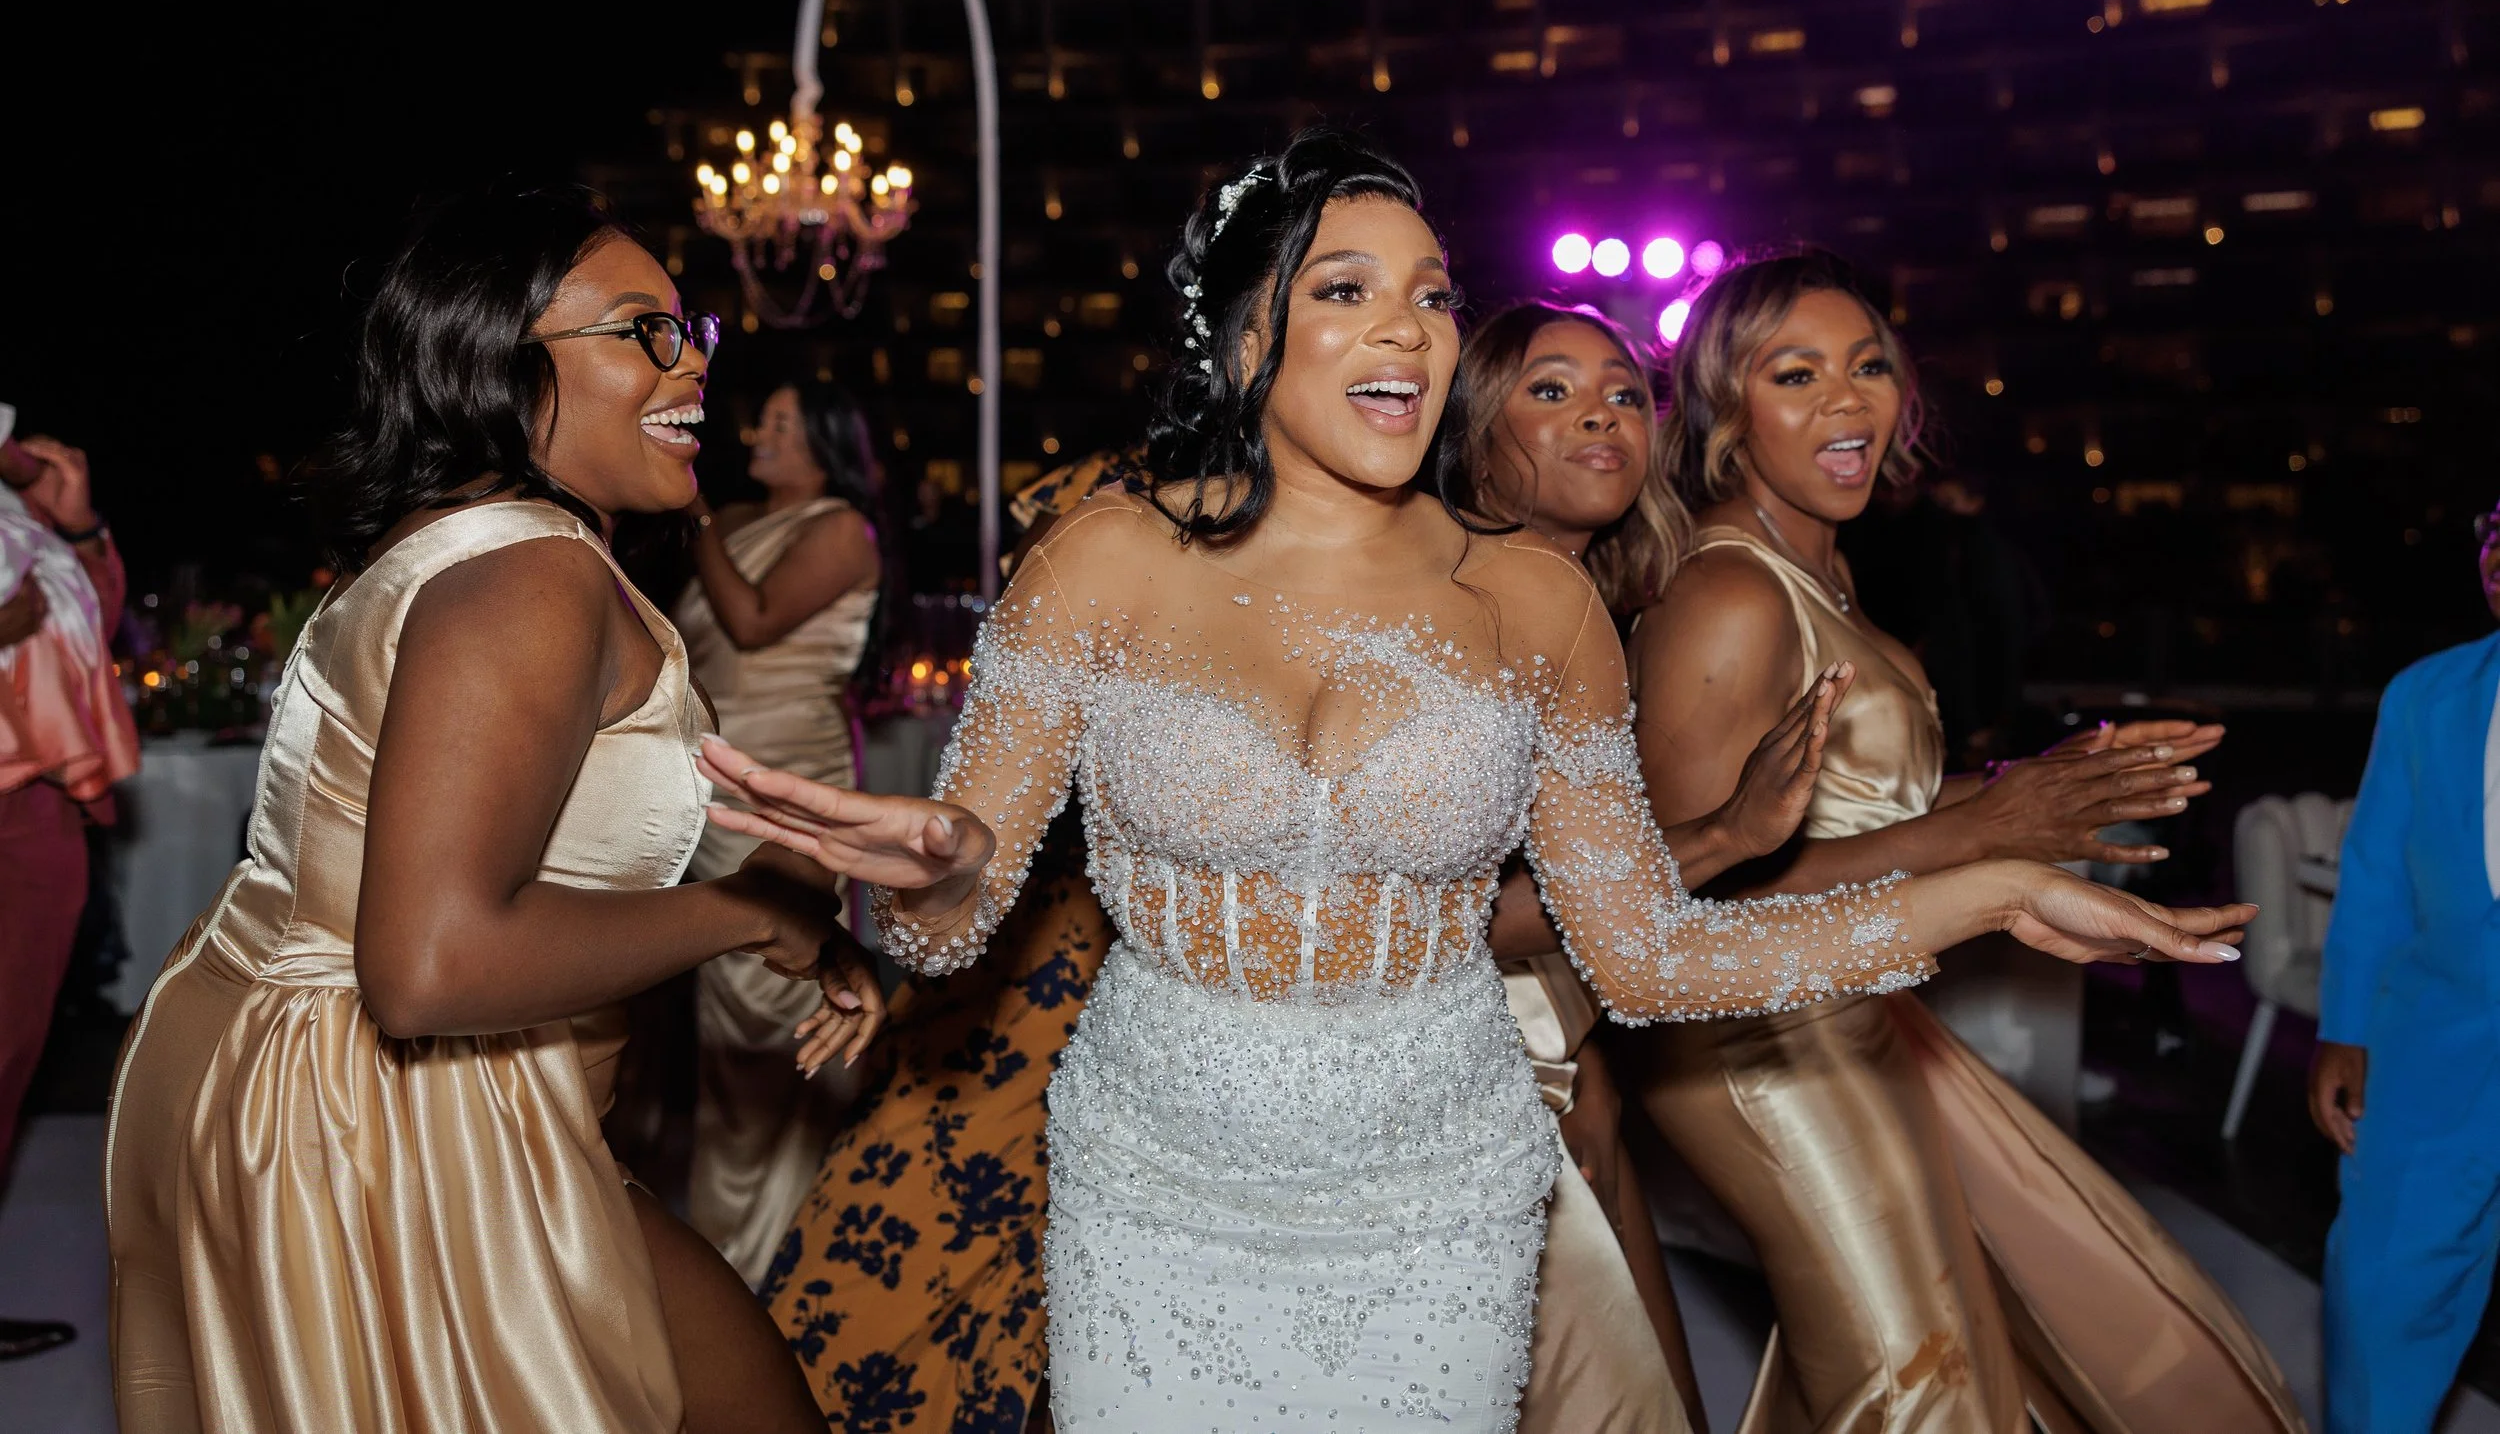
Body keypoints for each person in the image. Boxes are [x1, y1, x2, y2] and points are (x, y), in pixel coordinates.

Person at [702, 131, 2253, 1433]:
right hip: (1159, 1175)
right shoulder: (1106, 556)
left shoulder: (1534, 603)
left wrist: (1988, 887)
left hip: (1441, 1180)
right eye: (1347, 290)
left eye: (1433, 294)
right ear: (1245, 340)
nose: (1407, 328)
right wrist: (932, 864)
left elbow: (1646, 956)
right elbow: (949, 927)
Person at [105, 187, 885, 1433]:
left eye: (690, 329)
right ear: (500, 366)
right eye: (643, 331)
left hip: (329, 1060)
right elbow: (431, 964)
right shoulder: (533, 576)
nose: (693, 363)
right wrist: (745, 911)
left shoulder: (467, 539)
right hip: (383, 1108)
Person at [1619, 248, 2305, 1432]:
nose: (1848, 400)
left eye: (1868, 365)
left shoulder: (1823, 568)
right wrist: (1987, 831)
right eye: (1796, 373)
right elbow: (1680, 900)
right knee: (1916, 1376)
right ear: (1727, 410)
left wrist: (2034, 782)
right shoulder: (1730, 595)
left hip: (1854, 1001)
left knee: (1954, 1337)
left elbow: (1851, 812)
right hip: (1752, 1037)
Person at [765, 448, 1137, 1434]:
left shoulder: (1235, 534)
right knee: (883, 1245)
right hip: (1023, 948)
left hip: (1126, 978)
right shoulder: (1099, 505)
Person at [1459, 300, 1715, 1434]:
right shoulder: (1463, 615)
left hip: (1565, 1040)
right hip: (1481, 1062)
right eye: (1551, 390)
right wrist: (1728, 835)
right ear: (1474, 433)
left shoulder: (1598, 609)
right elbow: (1443, 917)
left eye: (1622, 392)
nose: (1603, 414)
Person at [672, 377, 890, 1285]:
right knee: (726, 1013)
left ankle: (800, 1254)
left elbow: (754, 622)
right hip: (721, 784)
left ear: (827, 442)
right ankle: (731, 1252)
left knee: (786, 992)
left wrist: (696, 515)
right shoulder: (735, 523)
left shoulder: (840, 529)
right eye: (765, 415)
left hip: (794, 785)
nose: (760, 429)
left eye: (784, 421)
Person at [2312, 498, 2500, 1434]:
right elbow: (2376, 874)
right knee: (2381, 1287)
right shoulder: (2425, 696)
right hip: (2434, 1040)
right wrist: (2343, 1026)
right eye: (2496, 540)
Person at [0, 413, 137, 1362]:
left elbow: (92, 624)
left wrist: (81, 525)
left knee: (9, 1062)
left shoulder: (22, 509)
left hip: (36, 812)